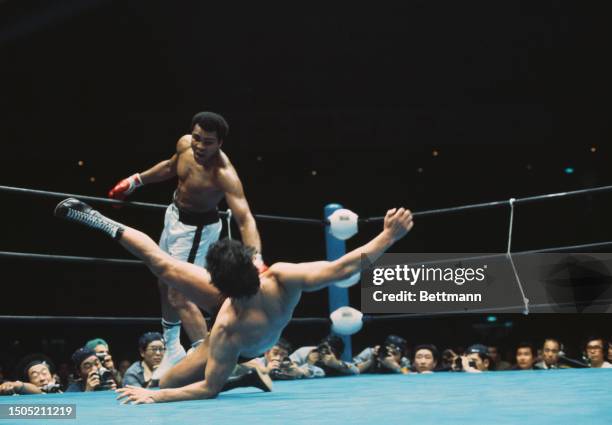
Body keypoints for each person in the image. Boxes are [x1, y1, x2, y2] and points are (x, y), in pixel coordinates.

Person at [53, 198, 413, 403]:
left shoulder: (228, 329)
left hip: (246, 346)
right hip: (247, 317)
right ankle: (100, 220)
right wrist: (388, 236)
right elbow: (342, 267)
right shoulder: (275, 281)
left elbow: (208, 389)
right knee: (163, 264)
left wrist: (157, 398)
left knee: (165, 384)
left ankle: (244, 372)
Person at [108, 111, 263, 377]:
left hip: (197, 231)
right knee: (162, 278)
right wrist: (137, 180)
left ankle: (207, 358)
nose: (200, 146)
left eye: (208, 142)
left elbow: (245, 218)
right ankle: (173, 349)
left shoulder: (223, 173)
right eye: (197, 138)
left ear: (220, 143)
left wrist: (256, 258)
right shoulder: (184, 145)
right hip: (174, 216)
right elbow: (170, 167)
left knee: (179, 293)